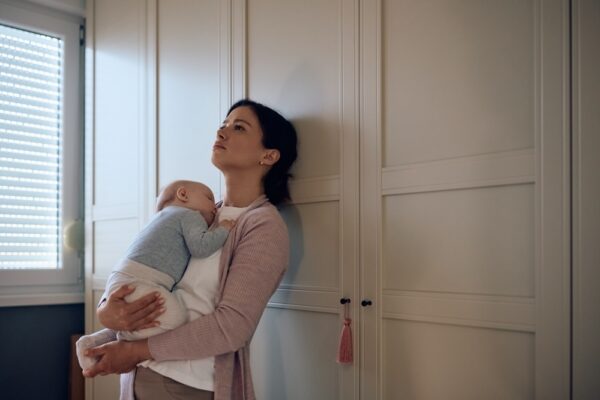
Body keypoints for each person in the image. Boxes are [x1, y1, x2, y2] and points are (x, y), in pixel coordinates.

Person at [82, 99, 298, 400]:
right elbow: (150, 282)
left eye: (239, 127)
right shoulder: (195, 216)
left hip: (186, 385)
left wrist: (133, 350)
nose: (222, 132)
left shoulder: (263, 226)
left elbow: (232, 327)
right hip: (139, 376)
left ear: (269, 155)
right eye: (223, 124)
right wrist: (110, 313)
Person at [76, 180, 235, 370]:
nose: (214, 206)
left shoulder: (160, 219)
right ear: (183, 195)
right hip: (143, 279)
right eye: (209, 198)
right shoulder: (189, 215)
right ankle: (122, 343)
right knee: (176, 317)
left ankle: (91, 343)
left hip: (124, 276)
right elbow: (201, 247)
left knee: (133, 316)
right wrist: (224, 229)